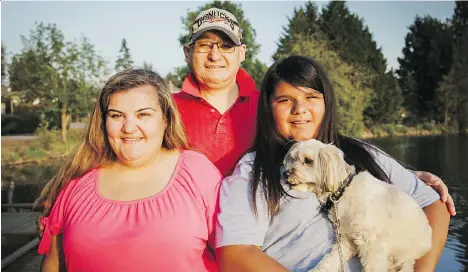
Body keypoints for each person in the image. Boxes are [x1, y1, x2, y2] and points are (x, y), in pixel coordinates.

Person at [173, 7, 456, 215]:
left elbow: (325, 149)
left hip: (259, 236)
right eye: (204, 45)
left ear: (242, 52)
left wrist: (402, 175)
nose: (214, 54)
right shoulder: (166, 110)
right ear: (188, 53)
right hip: (192, 245)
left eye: (225, 45)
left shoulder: (273, 106)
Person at [215, 55, 450, 271]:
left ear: (326, 102)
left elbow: (433, 204)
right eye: (285, 100)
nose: (300, 109)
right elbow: (236, 255)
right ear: (269, 107)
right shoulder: (254, 170)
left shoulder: (361, 153)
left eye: (311, 97)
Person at [35, 69, 222, 272]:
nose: (129, 127)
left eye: (143, 114)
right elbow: (53, 263)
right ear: (103, 122)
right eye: (117, 116)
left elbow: (232, 255)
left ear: (166, 119)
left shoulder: (198, 173)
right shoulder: (75, 183)